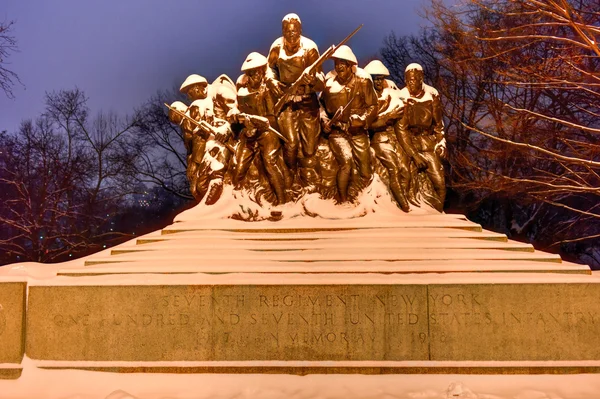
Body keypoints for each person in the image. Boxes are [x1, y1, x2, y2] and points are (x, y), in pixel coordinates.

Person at [267, 13, 324, 188]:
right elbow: (269, 69)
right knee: (290, 143)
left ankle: (308, 178)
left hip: (307, 101)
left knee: (309, 148)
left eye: (295, 31)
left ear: (300, 30)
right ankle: (290, 175)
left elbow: (321, 80)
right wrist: (272, 81)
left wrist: (312, 80)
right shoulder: (276, 46)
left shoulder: (310, 48)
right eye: (287, 32)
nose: (291, 35)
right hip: (286, 101)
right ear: (283, 31)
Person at [320, 45, 378, 203]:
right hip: (337, 133)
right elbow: (320, 106)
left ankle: (360, 198)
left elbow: (373, 106)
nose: (339, 66)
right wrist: (325, 121)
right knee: (346, 162)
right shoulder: (328, 82)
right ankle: (343, 200)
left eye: (343, 63)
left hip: (357, 132)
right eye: (337, 63)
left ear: (351, 66)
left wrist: (363, 120)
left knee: (366, 171)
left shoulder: (363, 80)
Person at [229, 52, 288, 205]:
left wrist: (259, 122)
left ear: (262, 72)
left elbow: (272, 115)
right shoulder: (242, 90)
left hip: (268, 131)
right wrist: (236, 116)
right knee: (239, 165)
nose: (253, 76)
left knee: (270, 162)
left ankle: (282, 200)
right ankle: (234, 201)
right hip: (248, 133)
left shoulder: (268, 89)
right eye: (250, 73)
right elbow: (234, 110)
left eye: (256, 72)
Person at [395, 63, 446, 211]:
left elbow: (439, 125)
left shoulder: (432, 95)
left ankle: (438, 214)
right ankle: (405, 211)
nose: (410, 83)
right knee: (405, 175)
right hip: (408, 143)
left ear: (421, 78)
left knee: (439, 182)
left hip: (428, 142)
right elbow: (401, 130)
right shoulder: (402, 97)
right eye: (408, 80)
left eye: (413, 80)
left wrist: (441, 143)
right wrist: (415, 156)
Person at [364, 60, 410, 211]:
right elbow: (368, 125)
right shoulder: (366, 98)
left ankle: (402, 200)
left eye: (380, 78)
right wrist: (387, 118)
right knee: (394, 169)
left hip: (394, 139)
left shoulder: (391, 95)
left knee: (405, 170)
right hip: (378, 140)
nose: (378, 82)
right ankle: (403, 204)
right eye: (375, 78)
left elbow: (400, 116)